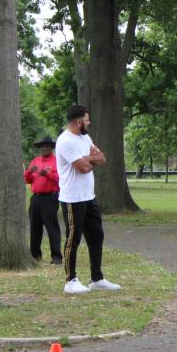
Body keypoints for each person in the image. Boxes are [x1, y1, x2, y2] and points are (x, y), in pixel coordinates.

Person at [55, 105, 120, 294]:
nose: (89, 123)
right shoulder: (65, 141)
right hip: (72, 199)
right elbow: (83, 168)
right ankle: (70, 281)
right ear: (78, 121)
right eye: (87, 120)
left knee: (97, 235)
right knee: (73, 238)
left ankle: (96, 278)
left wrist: (88, 159)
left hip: (89, 197)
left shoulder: (85, 137)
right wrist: (90, 159)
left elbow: (102, 158)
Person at [24, 136, 63, 265]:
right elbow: (27, 180)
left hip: (50, 197)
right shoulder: (35, 160)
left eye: (47, 146)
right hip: (36, 198)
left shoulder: (56, 161)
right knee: (35, 227)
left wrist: (48, 174)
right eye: (42, 146)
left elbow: (60, 178)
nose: (44, 148)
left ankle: (56, 257)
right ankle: (35, 255)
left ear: (52, 148)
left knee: (52, 227)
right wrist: (29, 171)